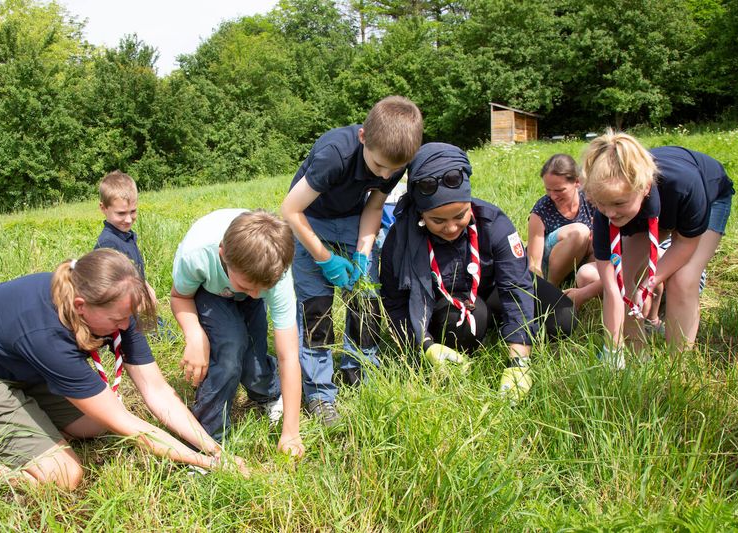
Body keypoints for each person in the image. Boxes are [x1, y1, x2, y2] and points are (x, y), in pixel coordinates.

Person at [0, 249, 237, 491]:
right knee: (63, 476)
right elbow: (125, 423)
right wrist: (206, 462)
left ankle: (29, 417)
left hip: (25, 368)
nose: (126, 326)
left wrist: (214, 448)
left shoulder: (116, 307)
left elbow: (157, 390)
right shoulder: (47, 334)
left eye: (128, 317)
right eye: (118, 319)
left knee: (94, 424)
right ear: (81, 307)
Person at [380, 143, 576, 403]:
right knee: (464, 329)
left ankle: (504, 327)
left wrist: (519, 362)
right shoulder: (400, 238)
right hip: (446, 299)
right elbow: (394, 302)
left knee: (563, 316)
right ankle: (479, 327)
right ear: (420, 212)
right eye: (437, 221)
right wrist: (423, 344)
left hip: (492, 288)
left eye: (459, 216)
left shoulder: (493, 223)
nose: (450, 228)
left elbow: (516, 287)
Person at [281, 95, 423, 425]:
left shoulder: (393, 159)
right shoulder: (335, 155)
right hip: (308, 222)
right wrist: (325, 258)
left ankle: (359, 371)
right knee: (316, 309)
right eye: (378, 167)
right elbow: (290, 209)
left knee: (366, 301)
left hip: (353, 221)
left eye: (393, 170)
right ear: (363, 138)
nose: (385, 173)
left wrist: (362, 251)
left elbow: (374, 207)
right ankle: (319, 393)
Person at [580, 130, 734, 366]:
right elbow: (613, 288)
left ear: (643, 187)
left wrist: (650, 281)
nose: (610, 213)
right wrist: (612, 347)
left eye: (618, 203)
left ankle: (677, 365)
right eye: (600, 204)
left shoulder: (684, 184)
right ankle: (637, 353)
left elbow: (684, 244)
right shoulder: (608, 211)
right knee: (624, 280)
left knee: (683, 279)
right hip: (646, 208)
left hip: (707, 196)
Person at [170, 209, 303, 457]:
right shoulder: (198, 255)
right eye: (246, 287)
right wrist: (195, 335)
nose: (253, 295)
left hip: (245, 275)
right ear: (223, 253)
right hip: (208, 288)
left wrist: (291, 433)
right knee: (229, 349)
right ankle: (209, 440)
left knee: (254, 352)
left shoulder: (274, 274)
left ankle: (269, 393)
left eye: (262, 290)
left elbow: (289, 355)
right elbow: (179, 296)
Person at [93, 170, 171, 336]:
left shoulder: (126, 236)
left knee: (172, 335)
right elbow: (110, 289)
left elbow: (135, 271)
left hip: (140, 311)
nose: (128, 219)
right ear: (103, 208)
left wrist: (146, 286)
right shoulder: (108, 243)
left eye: (133, 211)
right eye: (121, 213)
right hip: (127, 316)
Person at [526, 155, 601, 308]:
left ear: (577, 182)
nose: (553, 196)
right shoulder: (541, 210)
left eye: (560, 190)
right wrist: (539, 290)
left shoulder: (591, 201)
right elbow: (534, 263)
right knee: (580, 232)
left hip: (581, 262)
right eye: (548, 190)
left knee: (598, 240)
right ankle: (553, 290)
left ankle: (579, 290)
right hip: (549, 264)